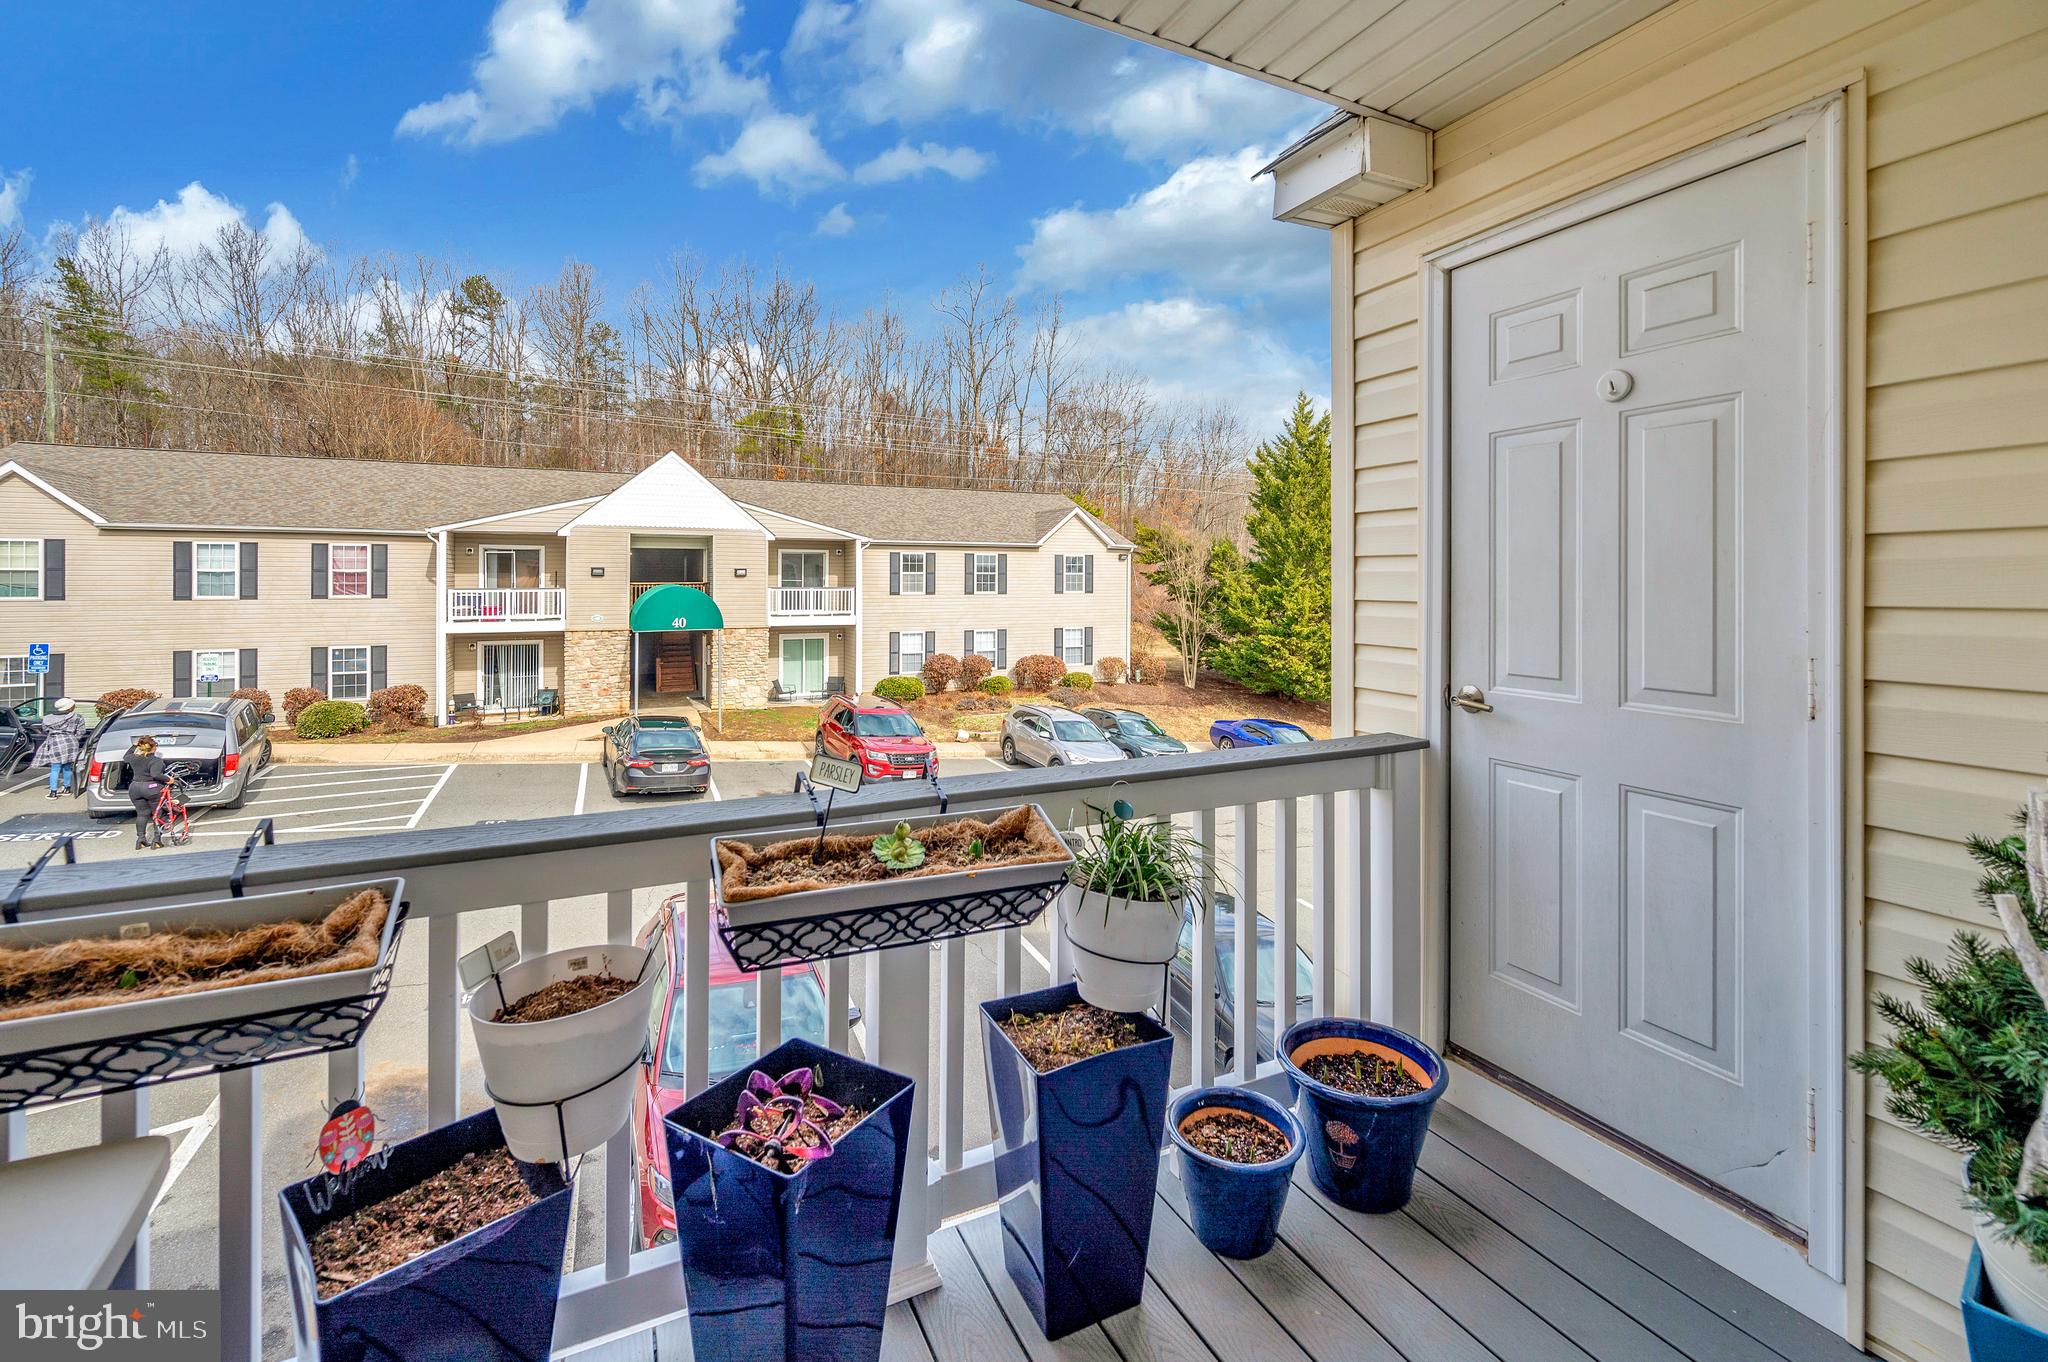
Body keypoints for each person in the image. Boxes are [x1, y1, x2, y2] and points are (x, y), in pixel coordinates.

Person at [33, 697, 86, 798]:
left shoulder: (47, 718)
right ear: (70, 707)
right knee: (67, 767)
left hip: (55, 742)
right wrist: (74, 739)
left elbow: (45, 729)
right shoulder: (77, 717)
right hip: (71, 742)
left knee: (55, 768)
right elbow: (81, 731)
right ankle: (67, 788)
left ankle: (53, 792)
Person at [124, 734, 170, 850]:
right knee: (157, 814)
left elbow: (126, 757)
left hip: (135, 788)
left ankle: (141, 839)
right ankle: (157, 840)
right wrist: (169, 779)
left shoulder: (134, 758)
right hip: (151, 788)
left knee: (142, 814)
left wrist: (134, 745)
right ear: (154, 748)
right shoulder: (156, 760)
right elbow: (156, 775)